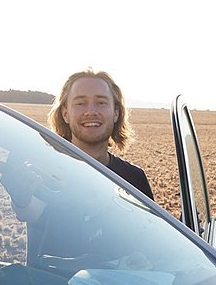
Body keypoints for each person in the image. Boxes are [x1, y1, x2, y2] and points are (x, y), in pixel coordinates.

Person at [48, 69, 154, 199]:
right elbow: (33, 213)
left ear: (116, 113)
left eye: (101, 103)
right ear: (65, 114)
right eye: (80, 103)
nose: (91, 112)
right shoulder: (48, 170)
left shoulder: (134, 179)